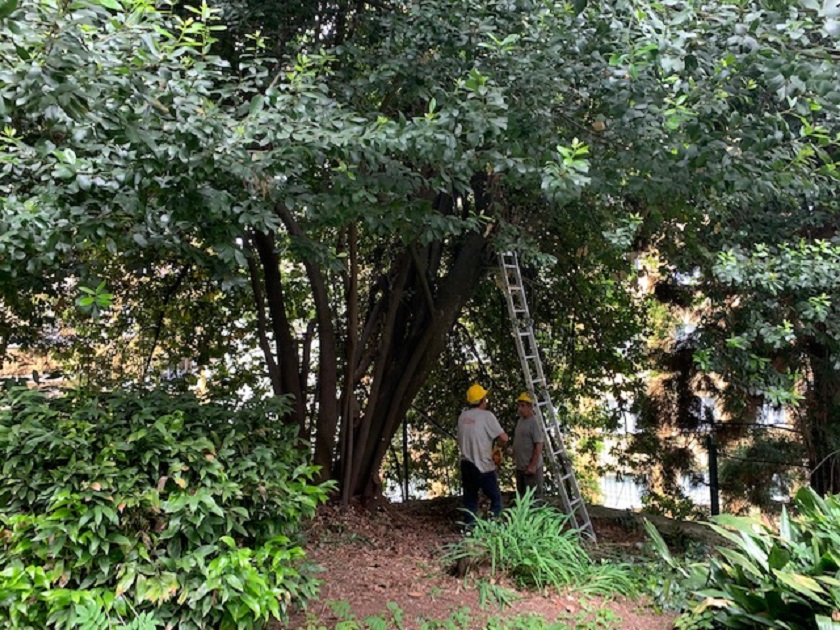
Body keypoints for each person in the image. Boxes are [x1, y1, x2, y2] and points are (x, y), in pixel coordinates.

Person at [457, 383, 509, 523]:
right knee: (495, 498)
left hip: (466, 464)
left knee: (470, 499)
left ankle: (470, 528)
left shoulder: (462, 417)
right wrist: (497, 448)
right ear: (482, 400)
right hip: (483, 466)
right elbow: (504, 438)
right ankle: (493, 524)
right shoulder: (487, 416)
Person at [513, 391, 544, 499]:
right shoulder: (520, 421)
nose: (520, 409)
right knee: (521, 499)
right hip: (521, 468)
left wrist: (533, 465)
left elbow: (538, 445)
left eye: (523, 406)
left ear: (530, 407)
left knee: (533, 501)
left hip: (531, 469)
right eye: (519, 405)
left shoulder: (534, 422)